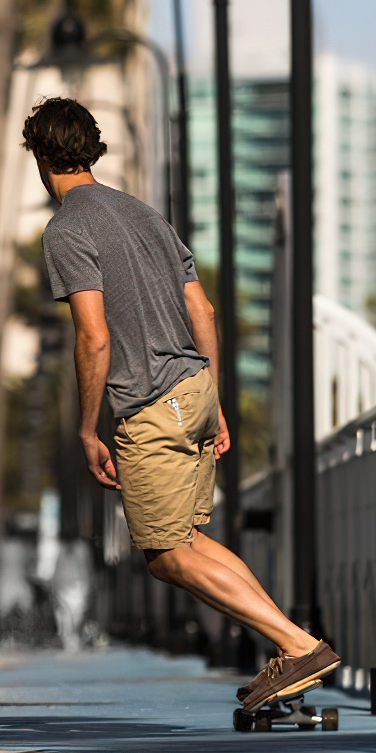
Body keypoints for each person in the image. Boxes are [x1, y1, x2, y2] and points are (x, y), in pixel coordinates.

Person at [23, 96, 339, 714]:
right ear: (92, 148)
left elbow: (94, 335)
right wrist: (213, 398)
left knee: (166, 555)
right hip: (193, 390)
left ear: (42, 157)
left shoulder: (67, 230)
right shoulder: (145, 216)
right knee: (186, 540)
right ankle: (290, 650)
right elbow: (203, 311)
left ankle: (297, 644)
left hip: (151, 405)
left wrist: (88, 429)